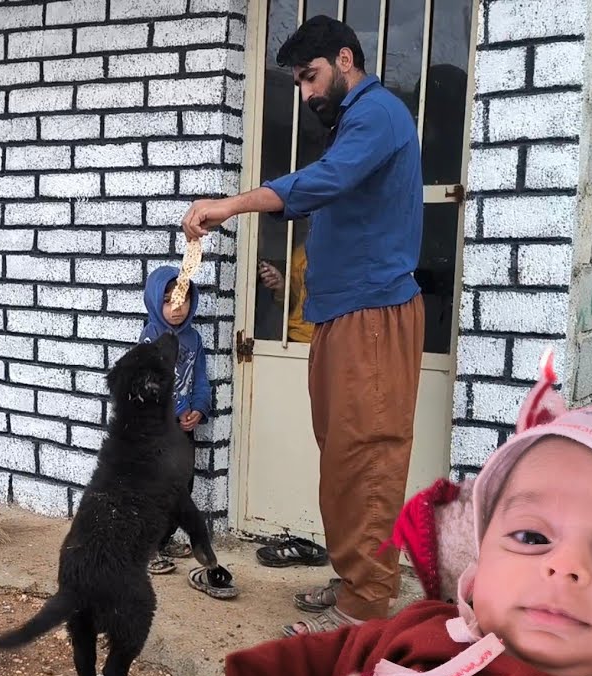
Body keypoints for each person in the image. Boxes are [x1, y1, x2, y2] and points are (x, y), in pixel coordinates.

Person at [223, 375, 592, 676]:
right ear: (477, 573)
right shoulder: (427, 630)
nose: (564, 568)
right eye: (531, 537)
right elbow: (330, 652)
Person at [180, 15, 424, 631]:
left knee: (367, 454)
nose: (307, 93)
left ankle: (364, 606)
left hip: (374, 314)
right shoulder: (354, 122)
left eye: (311, 77)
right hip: (341, 315)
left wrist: (232, 205)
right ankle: (352, 581)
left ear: (346, 59)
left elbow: (323, 183)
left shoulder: (378, 114)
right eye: (297, 83)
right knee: (343, 455)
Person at [137, 266, 235, 598]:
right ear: (154, 301)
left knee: (183, 485)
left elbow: (201, 378)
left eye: (183, 299)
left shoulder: (193, 338)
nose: (176, 308)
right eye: (168, 301)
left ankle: (162, 541)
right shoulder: (151, 338)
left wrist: (199, 408)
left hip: (183, 428)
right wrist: (179, 411)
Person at [257, 243, 313, 343]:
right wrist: (281, 288)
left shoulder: (348, 253)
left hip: (334, 340)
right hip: (299, 339)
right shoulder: (302, 255)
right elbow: (294, 304)